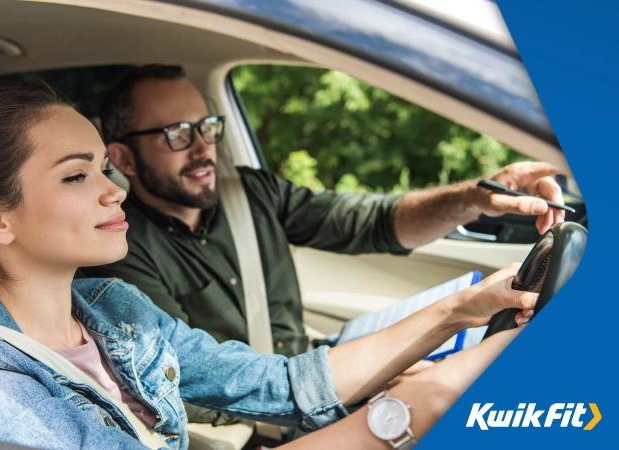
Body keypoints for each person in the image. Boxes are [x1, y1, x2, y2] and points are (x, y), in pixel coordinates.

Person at [0, 80, 535, 450]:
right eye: (76, 175)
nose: (113, 189)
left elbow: (282, 385)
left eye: (102, 167)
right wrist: (398, 418)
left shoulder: (116, 313)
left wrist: (459, 312)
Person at [82, 65, 565, 424]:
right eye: (177, 135)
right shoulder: (118, 254)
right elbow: (189, 386)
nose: (204, 147)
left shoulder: (250, 192)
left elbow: (371, 222)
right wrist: (359, 393)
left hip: (312, 372)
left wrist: (475, 197)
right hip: (260, 418)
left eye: (207, 128)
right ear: (122, 155)